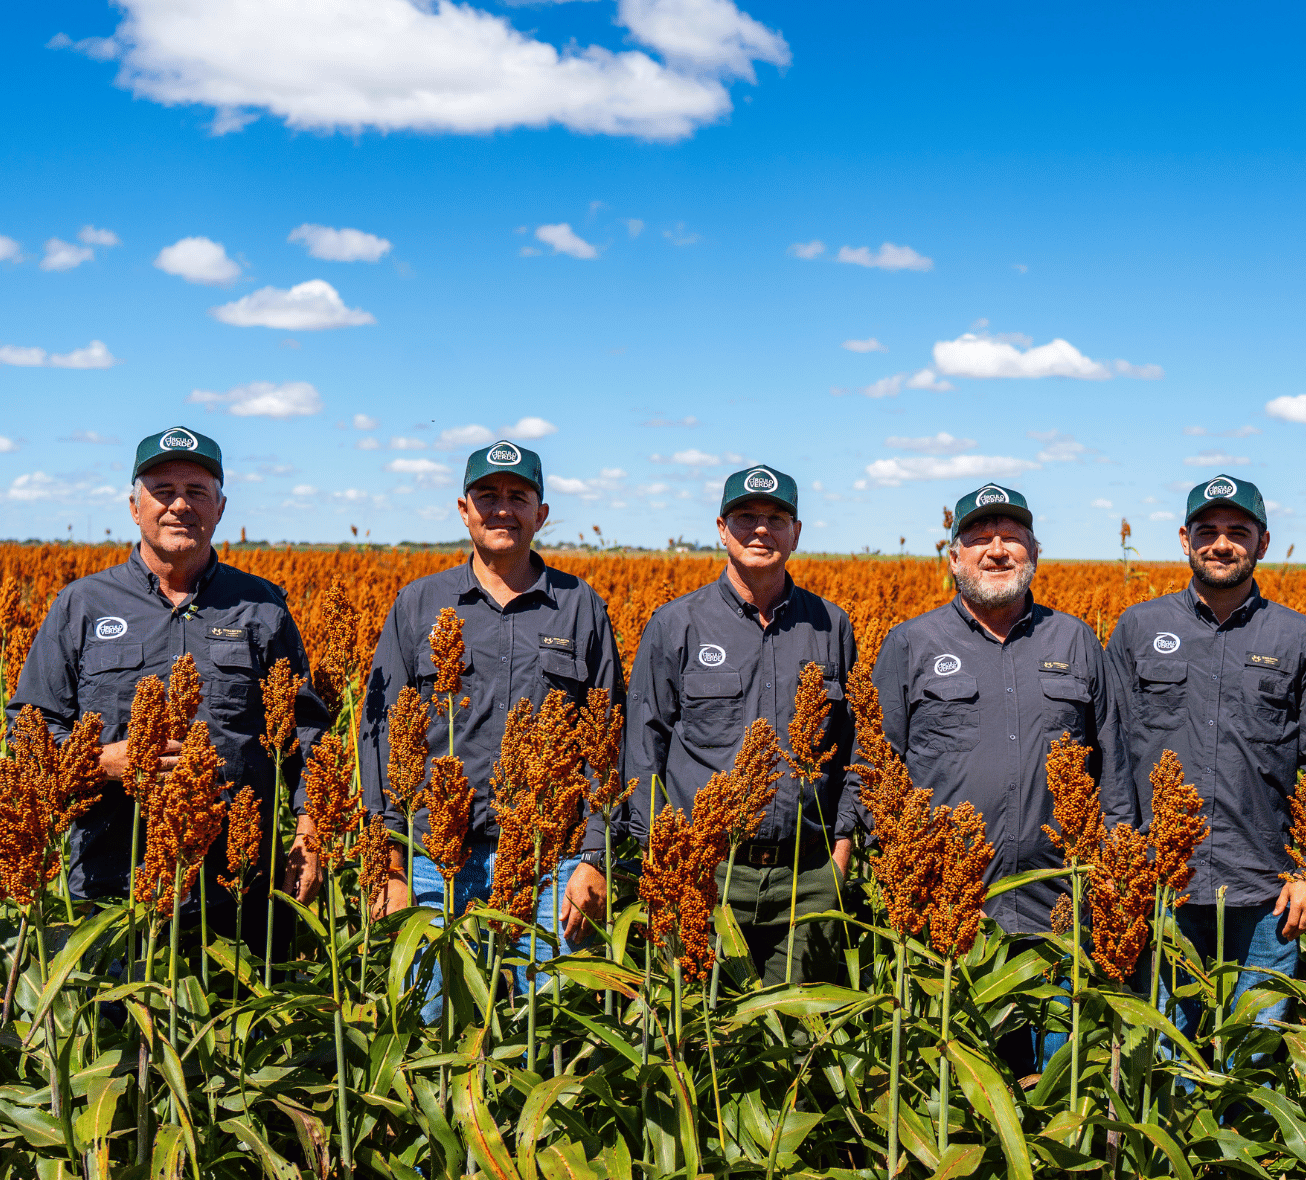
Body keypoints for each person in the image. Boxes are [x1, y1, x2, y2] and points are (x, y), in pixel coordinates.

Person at [6, 426, 329, 949]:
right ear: (135, 507)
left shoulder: (262, 607)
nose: (180, 506)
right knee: (108, 1028)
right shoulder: (82, 605)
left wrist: (310, 835)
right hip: (113, 889)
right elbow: (29, 728)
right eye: (162, 491)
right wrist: (100, 760)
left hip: (236, 883)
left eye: (197, 492)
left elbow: (305, 733)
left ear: (220, 507)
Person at [869, 483, 1135, 1067]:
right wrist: (893, 871)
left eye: (1011, 539)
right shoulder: (912, 643)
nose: (996, 551)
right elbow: (876, 769)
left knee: (1062, 1078)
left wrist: (1115, 862)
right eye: (980, 539)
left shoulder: (1075, 640)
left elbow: (1113, 761)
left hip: (1060, 909)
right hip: (950, 908)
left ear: (1033, 554)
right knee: (958, 1082)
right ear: (954, 558)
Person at [359, 440, 624, 1005]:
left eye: (518, 496)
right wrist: (388, 858)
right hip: (433, 857)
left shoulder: (581, 608)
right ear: (463, 509)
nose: (502, 508)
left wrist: (596, 856)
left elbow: (608, 742)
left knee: (548, 1027)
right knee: (432, 1024)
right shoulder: (419, 604)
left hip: (550, 859)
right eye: (487, 496)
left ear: (541, 514)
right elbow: (380, 733)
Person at [1105, 475, 1306, 1042]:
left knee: (1256, 1051)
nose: (1221, 543)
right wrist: (1122, 854)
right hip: (1162, 880)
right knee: (1163, 1053)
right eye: (1208, 530)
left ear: (1263, 543)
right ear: (1185, 539)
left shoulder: (1300, 637)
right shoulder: (1139, 628)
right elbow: (1111, 749)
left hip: (1270, 886)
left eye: (1237, 531)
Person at [625, 464, 857, 987]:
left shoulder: (831, 625)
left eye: (776, 517)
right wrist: (666, 858)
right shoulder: (675, 624)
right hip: (706, 871)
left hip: (808, 876)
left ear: (796, 532)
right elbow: (643, 750)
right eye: (746, 516)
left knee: (802, 1046)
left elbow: (854, 748)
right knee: (706, 1037)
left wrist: (840, 856)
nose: (761, 529)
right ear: (721, 527)